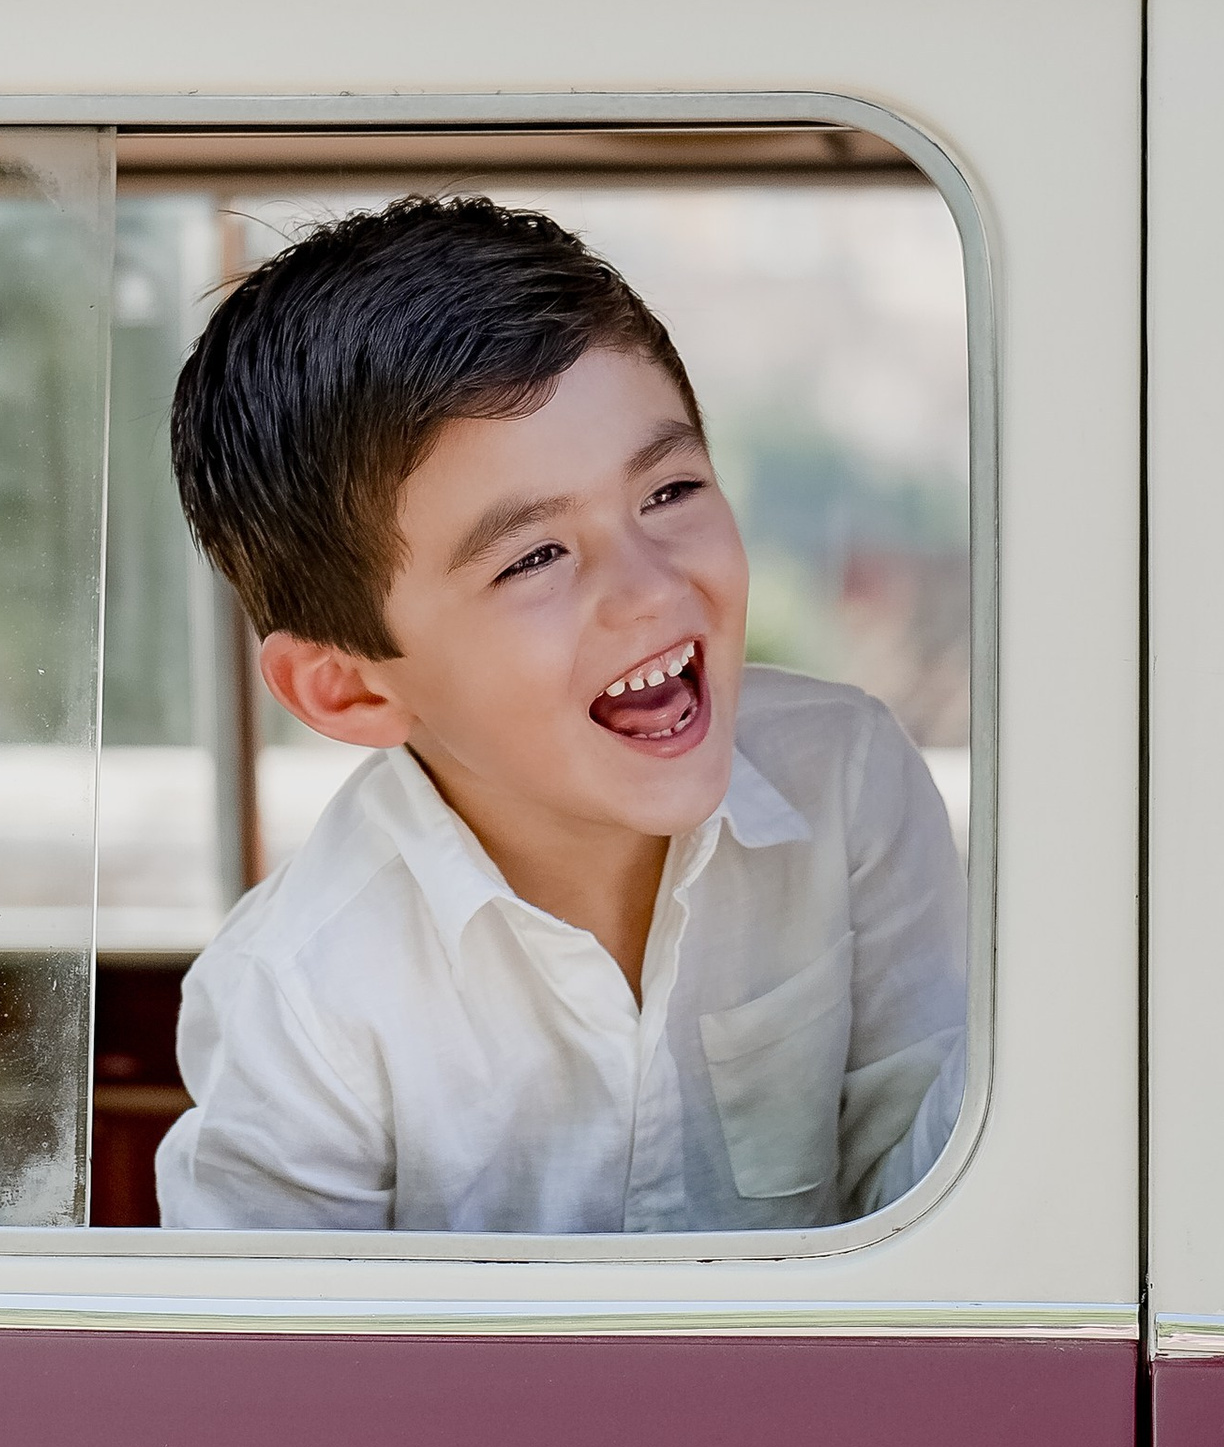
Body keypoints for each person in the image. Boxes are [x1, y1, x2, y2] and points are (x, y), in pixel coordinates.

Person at [154, 194, 967, 1234]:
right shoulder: (304, 988)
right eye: (533, 557)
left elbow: (940, 1217)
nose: (648, 590)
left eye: (668, 492)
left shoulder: (849, 781)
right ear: (351, 688)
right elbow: (284, 1383)